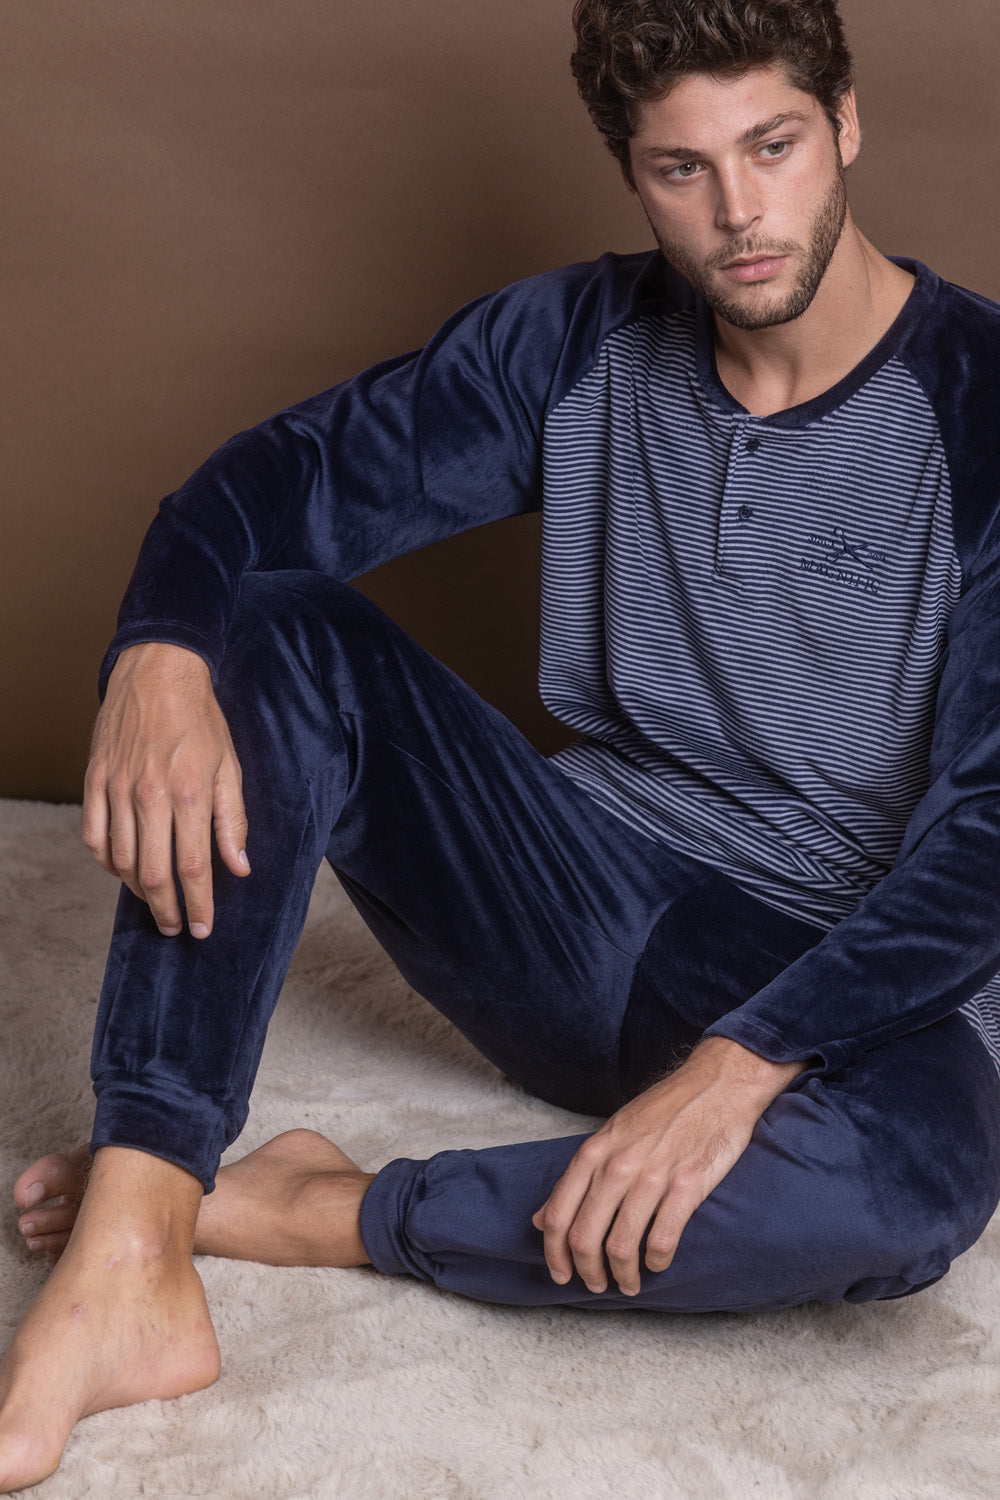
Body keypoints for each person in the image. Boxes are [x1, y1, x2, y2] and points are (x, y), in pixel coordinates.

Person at [5, 0, 1000, 1487]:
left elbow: (990, 839)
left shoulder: (980, 405)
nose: (739, 213)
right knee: (261, 625)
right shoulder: (580, 342)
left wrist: (743, 1064)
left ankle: (315, 1212)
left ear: (846, 122)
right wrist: (158, 645)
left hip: (851, 992)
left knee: (909, 1189)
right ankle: (135, 1241)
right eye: (682, 169)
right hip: (573, 906)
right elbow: (287, 475)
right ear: (631, 173)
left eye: (773, 146)